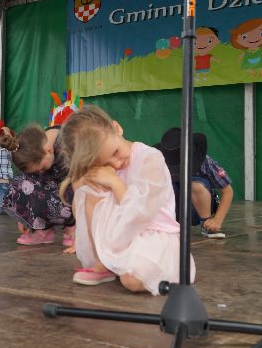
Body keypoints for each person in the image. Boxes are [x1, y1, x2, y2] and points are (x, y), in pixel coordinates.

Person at [59, 106, 192, 293]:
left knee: (131, 280)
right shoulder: (108, 164)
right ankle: (103, 263)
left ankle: (164, 267)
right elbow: (83, 203)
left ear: (117, 128)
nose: (116, 163)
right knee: (88, 193)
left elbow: (141, 214)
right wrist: (86, 180)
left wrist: (115, 182)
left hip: (155, 235)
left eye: (115, 152)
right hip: (123, 237)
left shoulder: (150, 159)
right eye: (104, 162)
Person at [0, 125, 74, 248]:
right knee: (20, 183)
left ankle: (72, 228)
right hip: (53, 192)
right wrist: (24, 215)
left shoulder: (69, 143)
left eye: (42, 168)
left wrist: (74, 224)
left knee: (73, 187)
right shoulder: (36, 146)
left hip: (71, 193)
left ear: (49, 150)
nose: (41, 172)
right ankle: (43, 231)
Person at [156, 127, 234, 239]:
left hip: (197, 210)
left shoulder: (206, 162)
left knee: (194, 185)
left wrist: (217, 220)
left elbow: (228, 191)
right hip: (173, 210)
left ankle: (207, 225)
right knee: (162, 187)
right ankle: (166, 224)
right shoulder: (159, 162)